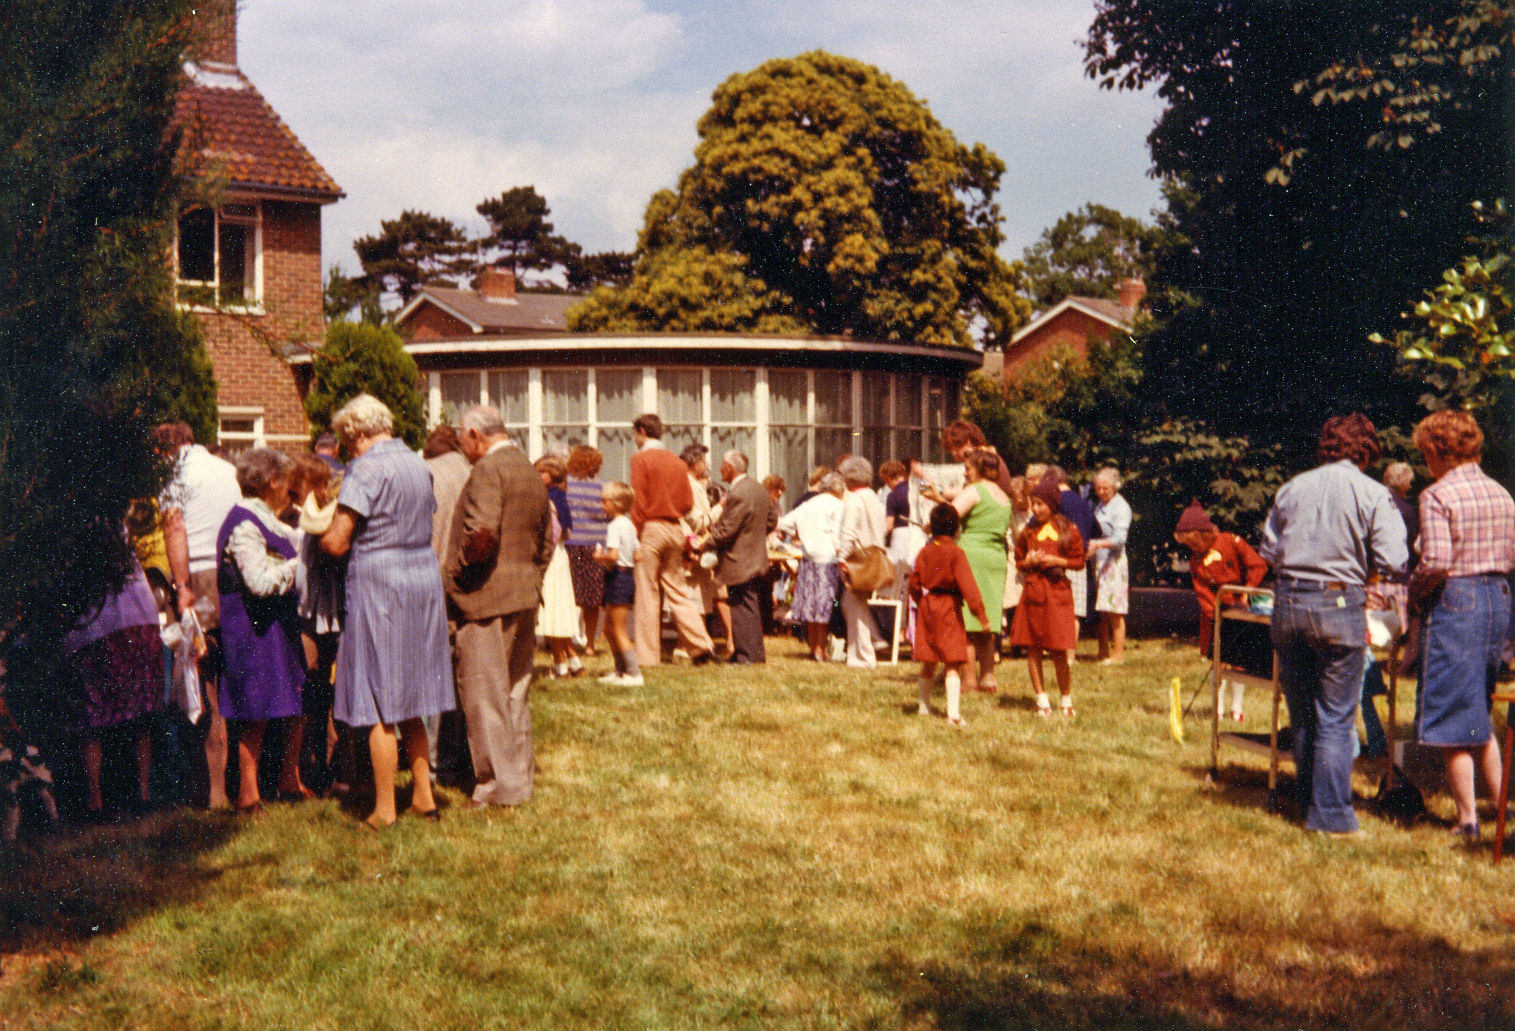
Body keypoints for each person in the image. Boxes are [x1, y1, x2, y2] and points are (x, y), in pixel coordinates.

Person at [1259, 413, 1407, 836]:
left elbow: (1269, 550)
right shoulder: (1374, 493)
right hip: (1337, 602)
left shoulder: (1292, 488)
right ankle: (1332, 817)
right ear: (1367, 451)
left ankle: (1308, 803)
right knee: (1337, 717)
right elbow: (1394, 560)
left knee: (1303, 713)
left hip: (1287, 601)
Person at [321, 395, 454, 829]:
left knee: (378, 700)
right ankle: (423, 796)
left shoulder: (366, 467)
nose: (345, 448)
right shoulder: (418, 464)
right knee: (413, 693)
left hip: (380, 583)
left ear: (358, 432)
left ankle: (384, 808)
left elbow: (339, 540)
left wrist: (317, 537)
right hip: (422, 576)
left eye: (346, 439)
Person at [1409, 410, 1515, 845]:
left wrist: (1413, 593)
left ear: (1436, 451)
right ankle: (1501, 809)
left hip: (1458, 599)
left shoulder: (1438, 495)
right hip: (1499, 599)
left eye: (1425, 455)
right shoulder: (1502, 494)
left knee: (1454, 716)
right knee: (1480, 713)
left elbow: (1435, 561)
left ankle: (1467, 818)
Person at [443, 404, 552, 809]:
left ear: (475, 435)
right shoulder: (527, 468)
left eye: (462, 439)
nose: (463, 448)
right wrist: (532, 577)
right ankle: (518, 781)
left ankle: (494, 789)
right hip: (524, 594)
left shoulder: (488, 470)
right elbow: (546, 542)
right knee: (514, 693)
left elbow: (482, 535)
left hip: (485, 598)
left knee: (484, 695)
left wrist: (455, 580)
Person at [215, 448, 308, 814]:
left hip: (275, 625)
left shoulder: (270, 521)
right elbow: (257, 581)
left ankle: (289, 781)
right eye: (285, 481)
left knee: (296, 699)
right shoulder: (244, 524)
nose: (289, 489)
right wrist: (297, 568)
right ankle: (248, 794)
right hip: (251, 626)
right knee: (254, 708)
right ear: (272, 482)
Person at [153, 420, 240, 809]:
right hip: (234, 573)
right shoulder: (227, 469)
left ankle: (213, 791)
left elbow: (175, 530)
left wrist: (182, 585)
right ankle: (240, 781)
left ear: (163, 451)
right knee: (229, 677)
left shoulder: (174, 475)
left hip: (199, 579)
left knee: (198, 683)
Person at [61, 540, 162, 820]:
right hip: (132, 614)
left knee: (93, 716)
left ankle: (98, 800)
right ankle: (141, 795)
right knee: (137, 710)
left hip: (94, 621)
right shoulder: (115, 509)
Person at [630, 414, 715, 667]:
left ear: (642, 431)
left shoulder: (640, 459)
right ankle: (701, 645)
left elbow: (639, 502)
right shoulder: (677, 463)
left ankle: (648, 657)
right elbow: (687, 503)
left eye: (635, 434)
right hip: (675, 528)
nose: (635, 440)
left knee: (648, 594)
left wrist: (635, 535)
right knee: (678, 591)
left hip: (651, 529)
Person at [1172, 501, 1269, 722]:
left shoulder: (1231, 542)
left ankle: (1237, 709)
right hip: (1216, 614)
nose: (1192, 548)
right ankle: (1217, 709)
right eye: (1188, 544)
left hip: (1242, 608)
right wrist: (1216, 617)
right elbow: (1203, 592)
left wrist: (1247, 592)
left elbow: (1257, 565)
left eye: (1194, 542)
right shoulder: (1196, 559)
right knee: (1218, 661)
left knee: (1239, 660)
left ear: (1203, 534)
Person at [926, 450, 1010, 692]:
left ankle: (969, 679)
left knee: (969, 620)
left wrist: (935, 503)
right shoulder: (1003, 495)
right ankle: (988, 678)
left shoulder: (974, 491)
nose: (965, 472)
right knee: (988, 619)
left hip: (972, 555)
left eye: (968, 468)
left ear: (981, 469)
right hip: (996, 556)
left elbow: (951, 516)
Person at [289, 454, 345, 796]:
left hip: (316, 617)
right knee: (316, 692)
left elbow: (303, 577)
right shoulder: (306, 522)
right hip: (323, 616)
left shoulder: (319, 522)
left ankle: (322, 767)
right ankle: (313, 768)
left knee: (316, 692)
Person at [423, 425, 472, 786]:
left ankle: (436, 760)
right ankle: (460, 757)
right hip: (470, 581)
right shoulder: (473, 472)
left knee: (434, 674)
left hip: (430, 581)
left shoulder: (427, 474)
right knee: (465, 675)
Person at [908, 504, 989, 727]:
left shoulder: (924, 552)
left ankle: (923, 707)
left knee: (929, 660)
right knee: (952, 662)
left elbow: (913, 583)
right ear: (956, 529)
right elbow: (968, 586)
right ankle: (953, 714)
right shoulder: (955, 553)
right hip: (949, 607)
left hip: (928, 605)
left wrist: (921, 603)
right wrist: (980, 614)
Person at [1010, 478, 1085, 716]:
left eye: (1041, 504)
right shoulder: (1029, 532)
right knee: (1033, 647)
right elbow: (1019, 559)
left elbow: (1079, 561)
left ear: (1052, 504)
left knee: (1059, 649)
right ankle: (1042, 700)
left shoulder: (1068, 530)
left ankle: (1066, 700)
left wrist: (1058, 561)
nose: (1036, 509)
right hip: (1033, 592)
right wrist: (1028, 563)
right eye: (1033, 503)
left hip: (1057, 593)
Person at [702, 451, 777, 664]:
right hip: (754, 557)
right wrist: (753, 536)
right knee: (747, 606)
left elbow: (727, 528)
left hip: (739, 560)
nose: (720, 470)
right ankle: (747, 653)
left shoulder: (738, 493)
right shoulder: (758, 489)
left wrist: (705, 543)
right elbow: (771, 520)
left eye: (723, 466)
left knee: (742, 608)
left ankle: (748, 656)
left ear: (730, 468)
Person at [775, 472, 846, 661]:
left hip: (808, 560)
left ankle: (815, 647)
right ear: (838, 488)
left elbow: (784, 523)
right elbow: (839, 535)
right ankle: (820, 650)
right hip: (828, 559)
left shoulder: (808, 504)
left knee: (811, 607)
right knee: (824, 607)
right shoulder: (838, 505)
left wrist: (799, 534)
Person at [838, 456, 889, 668]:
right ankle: (872, 643)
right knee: (851, 604)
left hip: (858, 559)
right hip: (875, 556)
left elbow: (848, 532)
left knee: (853, 605)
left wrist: (842, 558)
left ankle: (863, 657)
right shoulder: (874, 498)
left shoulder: (854, 499)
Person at [535, 454, 583, 679]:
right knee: (561, 610)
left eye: (541, 472)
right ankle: (573, 659)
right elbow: (567, 529)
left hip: (550, 557)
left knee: (552, 612)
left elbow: (552, 533)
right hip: (560, 556)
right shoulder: (561, 497)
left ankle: (559, 664)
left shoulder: (547, 499)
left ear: (552, 475)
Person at [594, 482, 642, 686]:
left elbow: (613, 555)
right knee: (610, 627)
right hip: (627, 576)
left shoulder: (614, 526)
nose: (601, 505)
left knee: (618, 628)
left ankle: (633, 673)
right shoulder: (630, 525)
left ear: (617, 503)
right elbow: (638, 554)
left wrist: (600, 556)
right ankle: (620, 671)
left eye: (605, 501)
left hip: (618, 577)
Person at [1044, 465, 1097, 651]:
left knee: (1060, 608)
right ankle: (1070, 655)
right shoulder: (1081, 501)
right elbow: (1096, 529)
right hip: (1079, 561)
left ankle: (1059, 650)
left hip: (1061, 561)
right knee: (1075, 611)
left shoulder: (1056, 501)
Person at [564, 445, 608, 657]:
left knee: (570, 596)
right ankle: (590, 644)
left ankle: (569, 643)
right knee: (592, 599)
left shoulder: (566, 486)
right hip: (595, 545)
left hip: (571, 544)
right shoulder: (601, 488)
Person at [1088, 466, 1132, 665]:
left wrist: (1097, 543)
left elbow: (1120, 540)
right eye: (1098, 488)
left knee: (1114, 610)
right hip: (1099, 562)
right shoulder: (1100, 506)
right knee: (1102, 611)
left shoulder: (1121, 507)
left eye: (1105, 488)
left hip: (1113, 563)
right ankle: (1102, 652)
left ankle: (1118, 655)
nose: (1101, 492)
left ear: (1114, 486)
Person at [1001, 476, 1031, 647]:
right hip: (1015, 557)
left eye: (1019, 499)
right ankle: (1016, 640)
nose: (1017, 502)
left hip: (1033, 555)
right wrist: (1015, 561)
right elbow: (1009, 538)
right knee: (1013, 596)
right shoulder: (1011, 512)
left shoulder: (1034, 509)